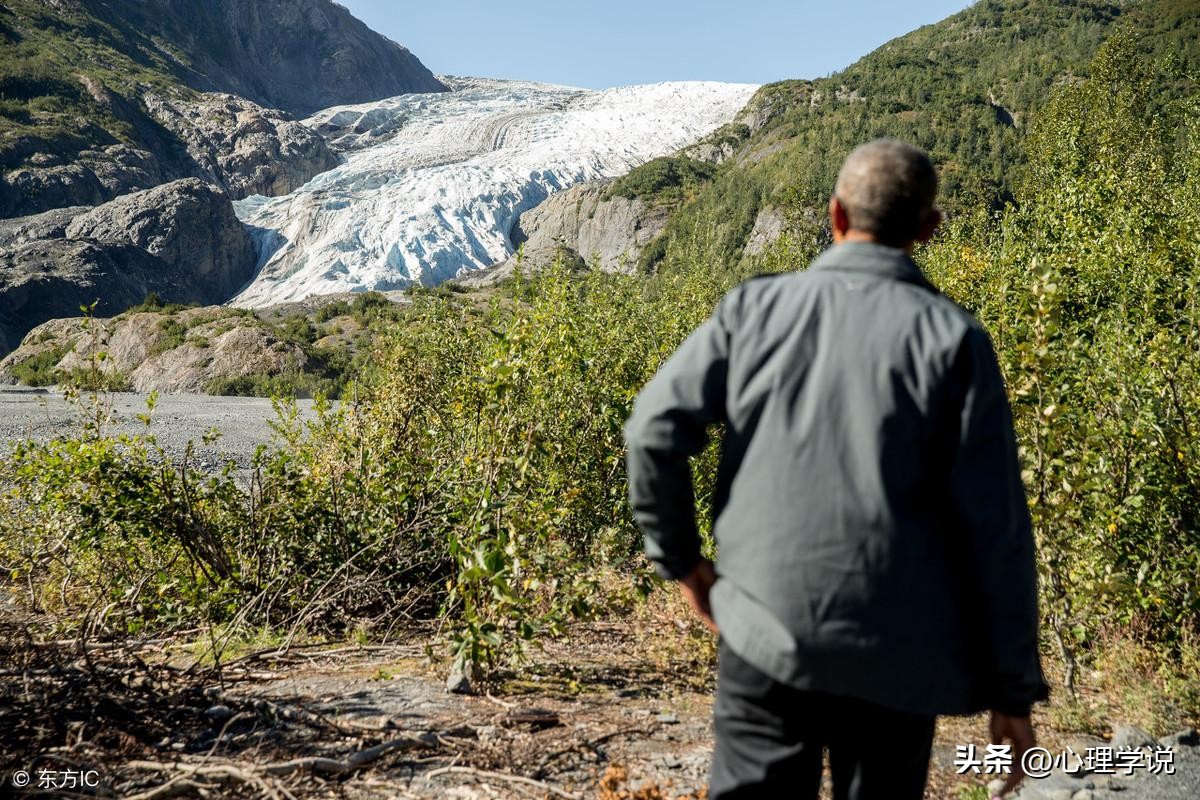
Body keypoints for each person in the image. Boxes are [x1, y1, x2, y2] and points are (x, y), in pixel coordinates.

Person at [623, 138, 1049, 800]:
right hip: (901, 648)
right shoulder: (954, 339)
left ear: (836, 216)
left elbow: (652, 431)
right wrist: (1012, 691)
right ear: (929, 229)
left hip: (763, 629)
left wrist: (686, 566)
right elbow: (996, 528)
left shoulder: (753, 313)